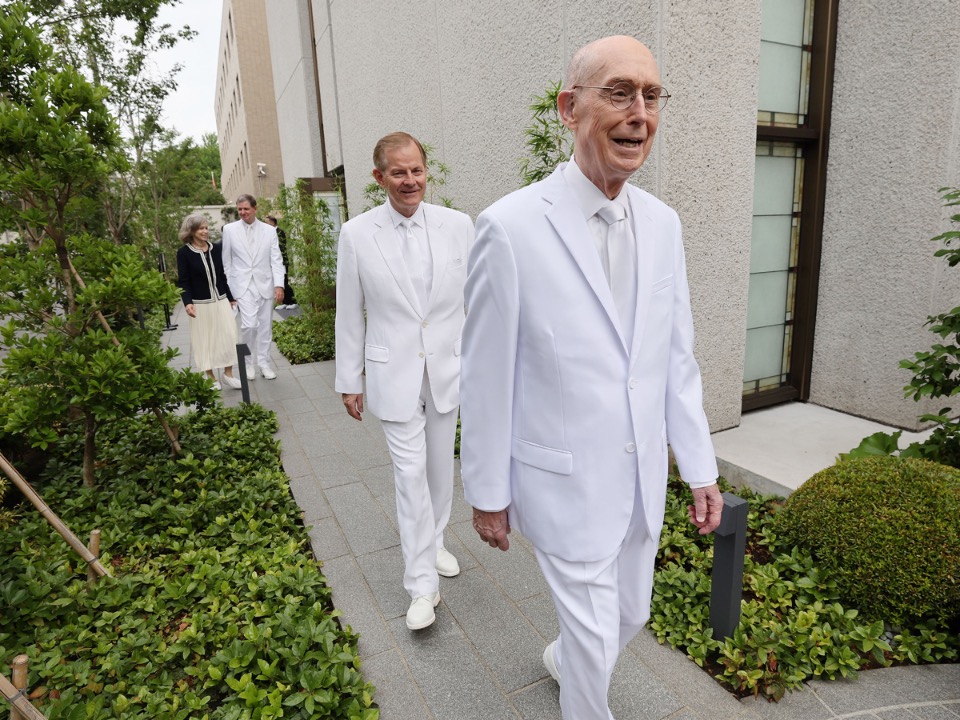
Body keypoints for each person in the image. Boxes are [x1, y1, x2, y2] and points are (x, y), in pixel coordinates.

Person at [460, 36, 724, 719]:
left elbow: (676, 356)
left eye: (651, 95)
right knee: (590, 644)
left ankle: (560, 660)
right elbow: (486, 375)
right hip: (561, 481)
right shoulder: (509, 228)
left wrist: (699, 467)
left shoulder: (663, 225)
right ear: (569, 109)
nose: (640, 112)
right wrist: (487, 491)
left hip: (639, 485)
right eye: (619, 92)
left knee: (628, 612)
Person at [335, 132, 474, 631]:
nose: (410, 180)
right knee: (410, 474)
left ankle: (434, 542)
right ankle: (421, 586)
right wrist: (349, 379)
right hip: (391, 372)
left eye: (416, 170)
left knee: (440, 471)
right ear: (379, 178)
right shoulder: (356, 234)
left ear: (425, 170)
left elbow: (475, 302)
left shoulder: (460, 226)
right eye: (398, 172)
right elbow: (349, 311)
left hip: (446, 370)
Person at [221, 194, 285, 380]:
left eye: (246, 209)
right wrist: (228, 291)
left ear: (255, 209)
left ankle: (264, 364)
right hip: (241, 285)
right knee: (249, 325)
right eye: (239, 209)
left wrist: (279, 285)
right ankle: (248, 363)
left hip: (265, 284)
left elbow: (276, 259)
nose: (242, 212)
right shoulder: (229, 230)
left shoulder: (269, 231)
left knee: (265, 327)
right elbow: (227, 262)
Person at [175, 213, 241, 390]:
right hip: (199, 304)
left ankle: (228, 374)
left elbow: (222, 276)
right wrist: (187, 302)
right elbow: (183, 281)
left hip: (220, 299)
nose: (205, 231)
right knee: (204, 339)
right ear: (192, 231)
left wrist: (230, 297)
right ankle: (210, 377)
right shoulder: (184, 253)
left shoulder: (216, 248)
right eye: (201, 228)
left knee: (229, 335)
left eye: (206, 228)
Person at [264, 215, 297, 309]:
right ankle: (285, 302)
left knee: (284, 281)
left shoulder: (279, 232)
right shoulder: (271, 233)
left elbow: (280, 248)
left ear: (272, 223)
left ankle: (292, 301)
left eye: (267, 222)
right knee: (280, 282)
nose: (265, 224)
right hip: (275, 262)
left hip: (282, 261)